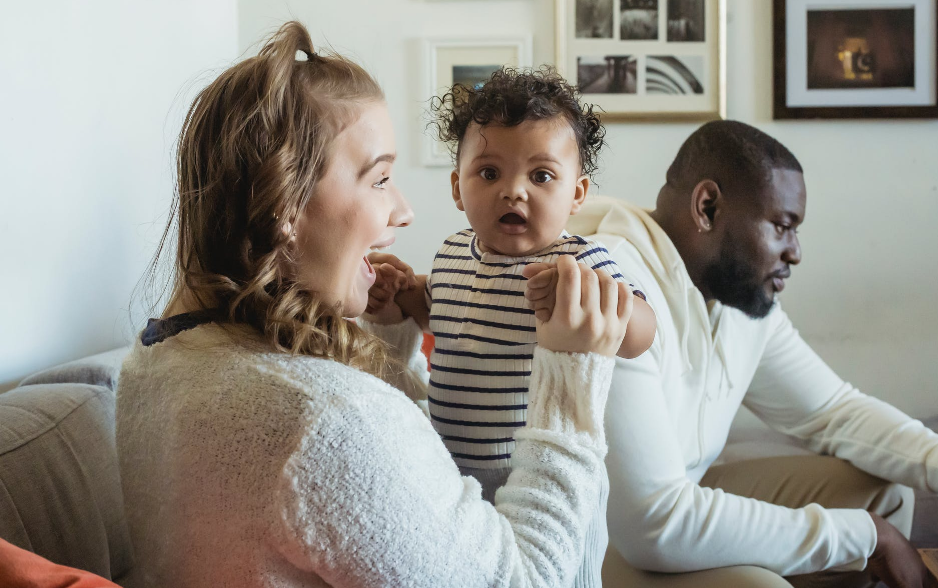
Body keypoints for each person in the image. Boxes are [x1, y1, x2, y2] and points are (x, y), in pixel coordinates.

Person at [115, 21, 634, 588]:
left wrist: (390, 330)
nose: (403, 211)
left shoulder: (157, 359)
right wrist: (572, 379)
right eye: (380, 178)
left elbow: (380, 509)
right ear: (285, 204)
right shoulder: (325, 424)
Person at [532, 120, 938, 587]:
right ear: (708, 207)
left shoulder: (735, 294)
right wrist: (870, 538)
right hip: (595, 540)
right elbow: (654, 523)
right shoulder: (613, 286)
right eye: (782, 226)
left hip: (673, 502)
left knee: (883, 495)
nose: (796, 252)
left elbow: (834, 413)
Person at [365, 67, 656, 588]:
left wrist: (582, 295)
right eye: (490, 173)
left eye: (541, 176)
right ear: (458, 187)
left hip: (543, 477)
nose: (513, 192)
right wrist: (406, 297)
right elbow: (448, 320)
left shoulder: (580, 259)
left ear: (576, 194)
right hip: (454, 472)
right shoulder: (453, 253)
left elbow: (640, 332)